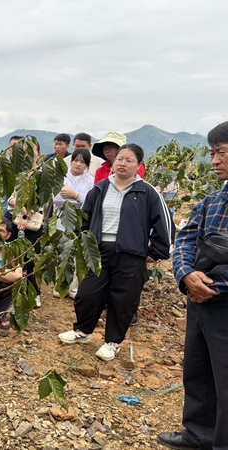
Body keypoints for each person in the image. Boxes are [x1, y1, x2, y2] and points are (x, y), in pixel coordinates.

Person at [58, 144, 171, 361]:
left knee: (123, 299)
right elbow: (84, 218)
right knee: (87, 294)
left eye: (129, 160)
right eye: (119, 159)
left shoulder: (147, 192)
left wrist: (156, 251)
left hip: (131, 254)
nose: (122, 163)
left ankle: (112, 342)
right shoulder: (100, 188)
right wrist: (82, 242)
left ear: (139, 165)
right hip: (99, 251)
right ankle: (82, 331)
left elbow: (162, 223)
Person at [157, 121, 228, 450]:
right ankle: (198, 434)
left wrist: (213, 284)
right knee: (199, 372)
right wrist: (186, 276)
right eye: (211, 153)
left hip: (221, 301)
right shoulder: (213, 200)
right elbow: (185, 239)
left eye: (221, 152)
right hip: (200, 302)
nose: (214, 160)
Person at [4, 140, 43, 307]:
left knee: (31, 259)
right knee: (12, 256)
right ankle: (11, 293)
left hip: (33, 222)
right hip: (13, 219)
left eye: (32, 151)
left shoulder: (43, 174)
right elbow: (10, 197)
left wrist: (26, 215)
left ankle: (34, 293)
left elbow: (42, 199)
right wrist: (21, 211)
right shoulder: (18, 174)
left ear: (38, 154)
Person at [52, 148, 95, 299]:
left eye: (82, 162)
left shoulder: (91, 181)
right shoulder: (61, 177)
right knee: (61, 254)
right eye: (76, 160)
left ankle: (73, 289)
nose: (78, 164)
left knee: (77, 256)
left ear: (87, 165)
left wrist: (74, 194)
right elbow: (57, 199)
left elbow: (90, 202)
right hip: (60, 222)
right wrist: (79, 198)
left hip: (80, 224)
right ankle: (59, 286)